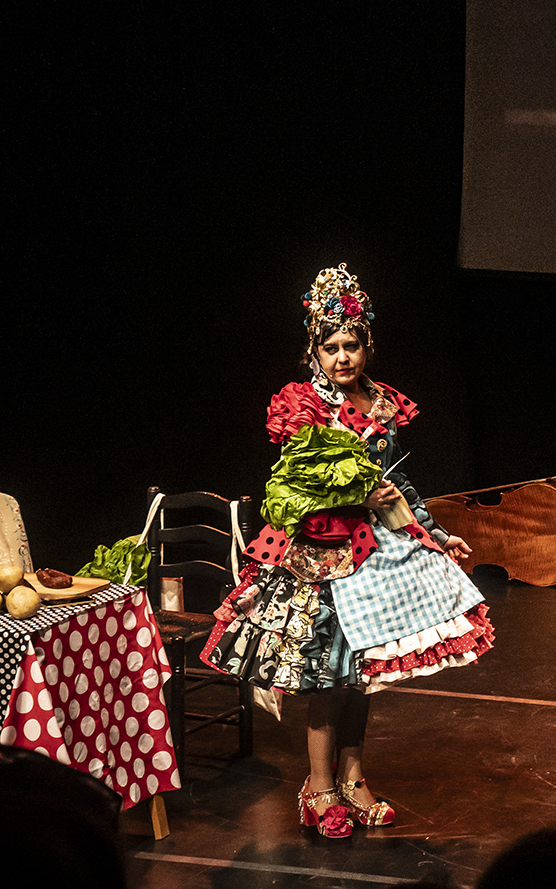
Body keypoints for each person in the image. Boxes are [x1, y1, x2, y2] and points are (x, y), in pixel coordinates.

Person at [203, 266, 493, 839]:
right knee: (327, 673)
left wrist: (435, 533)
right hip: (324, 555)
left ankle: (355, 778)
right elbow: (290, 488)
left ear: (367, 347)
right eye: (331, 347)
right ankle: (318, 786)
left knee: (364, 674)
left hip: (378, 553)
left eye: (351, 346)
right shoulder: (305, 404)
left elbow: (398, 484)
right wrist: (355, 495)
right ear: (314, 351)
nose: (342, 357)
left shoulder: (380, 404)